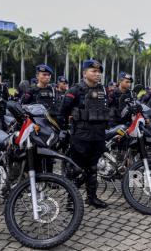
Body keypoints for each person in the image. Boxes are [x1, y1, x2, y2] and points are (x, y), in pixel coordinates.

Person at [60, 59, 109, 208]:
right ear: (84, 73)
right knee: (75, 169)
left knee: (93, 168)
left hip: (98, 135)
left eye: (99, 71)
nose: (97, 74)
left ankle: (91, 197)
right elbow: (63, 111)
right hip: (81, 135)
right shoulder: (75, 90)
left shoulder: (103, 90)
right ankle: (71, 200)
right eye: (93, 71)